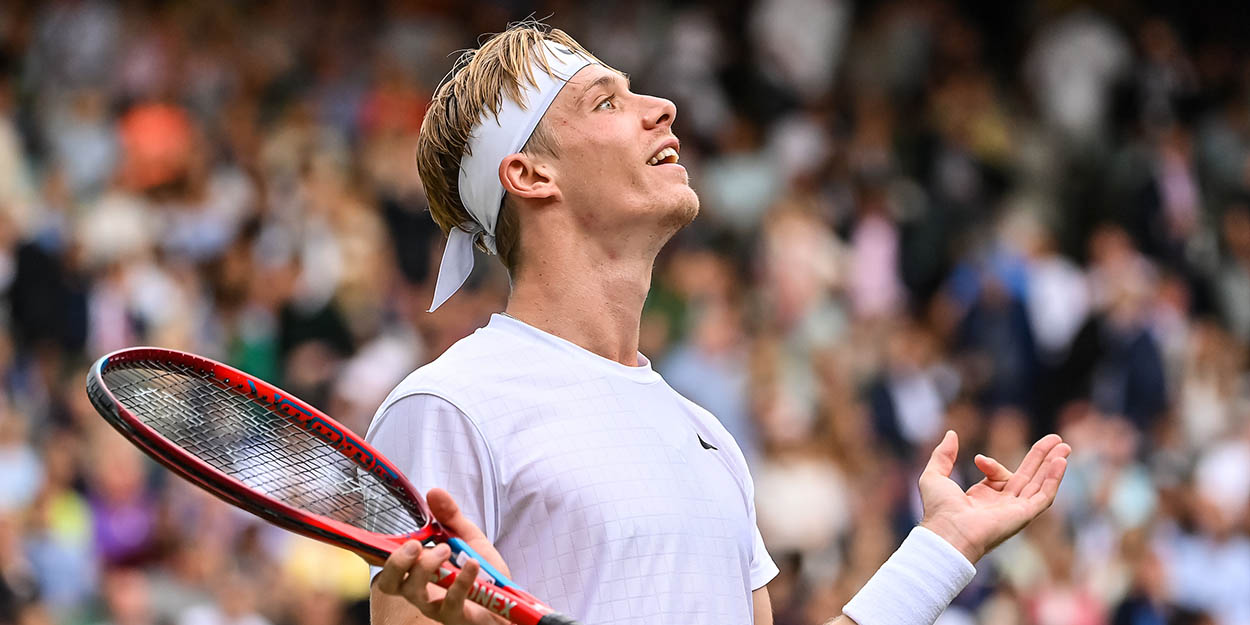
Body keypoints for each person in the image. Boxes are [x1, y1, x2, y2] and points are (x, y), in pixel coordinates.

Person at [367, 23, 1070, 625]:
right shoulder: (447, 408)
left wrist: (945, 543)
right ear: (530, 175)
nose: (663, 107)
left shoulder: (708, 436)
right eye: (606, 100)